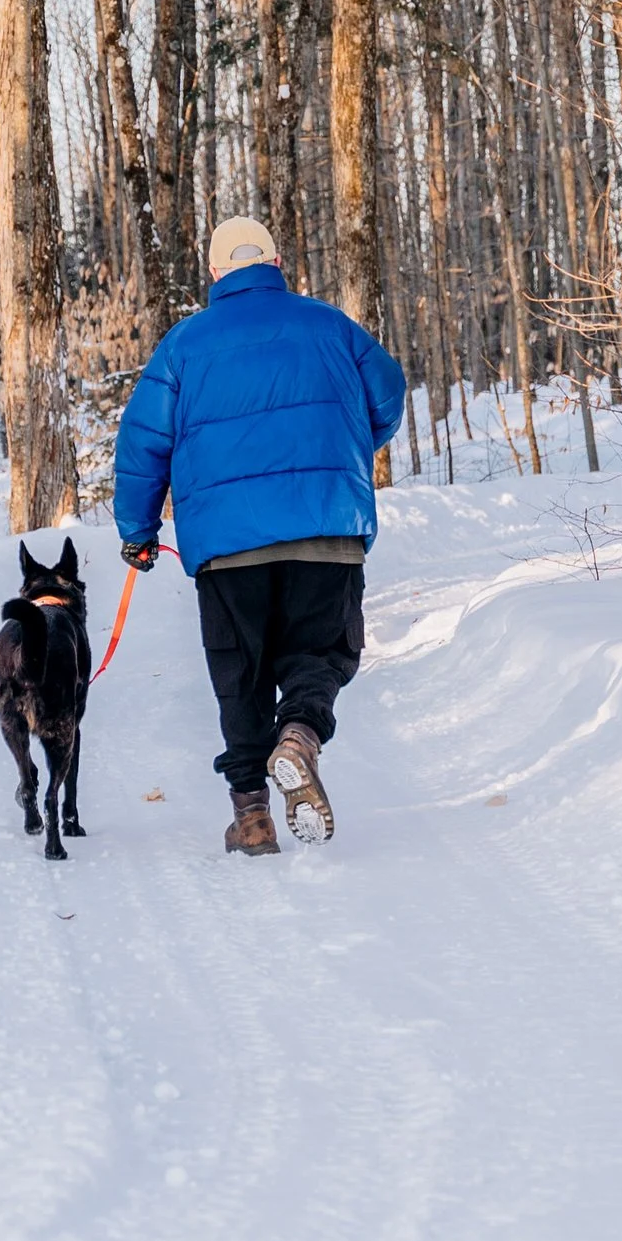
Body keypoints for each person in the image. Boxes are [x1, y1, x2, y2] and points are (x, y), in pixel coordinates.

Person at [113, 215, 409, 856]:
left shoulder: (183, 347)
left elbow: (143, 443)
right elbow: (387, 395)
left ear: (216, 273)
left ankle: (252, 815)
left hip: (227, 550)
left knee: (239, 675)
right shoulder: (331, 326)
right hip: (325, 528)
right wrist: (346, 450)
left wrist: (137, 532)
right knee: (319, 653)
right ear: (276, 262)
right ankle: (299, 735)